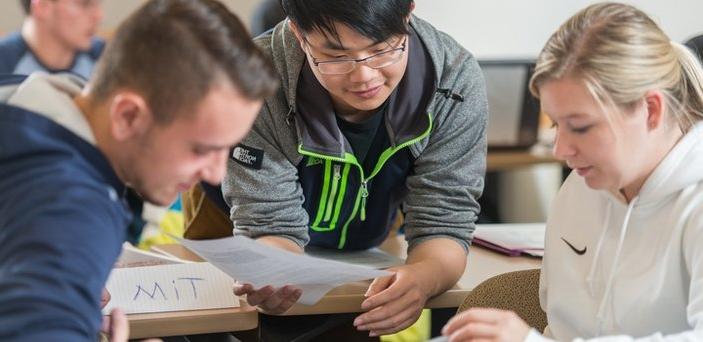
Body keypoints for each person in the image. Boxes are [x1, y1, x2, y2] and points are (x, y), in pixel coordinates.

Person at [0, 0, 278, 340]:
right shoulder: (73, 210)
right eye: (202, 149)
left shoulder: (18, 95)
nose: (216, 175)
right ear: (128, 115)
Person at [214, 0, 488, 337]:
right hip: (232, 224)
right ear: (298, 33)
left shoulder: (452, 83)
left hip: (365, 247)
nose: (364, 76)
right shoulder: (255, 80)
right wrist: (271, 270)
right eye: (336, 56)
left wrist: (423, 276)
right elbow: (269, 222)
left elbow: (444, 222)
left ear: (407, 14)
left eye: (383, 49)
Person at [442, 2, 703, 341]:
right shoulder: (583, 187)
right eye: (555, 124)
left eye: (580, 126)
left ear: (651, 109)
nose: (561, 150)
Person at [0, 0, 104, 79]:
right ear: (42, 6)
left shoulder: (105, 57)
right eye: (84, 4)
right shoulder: (4, 63)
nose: (98, 16)